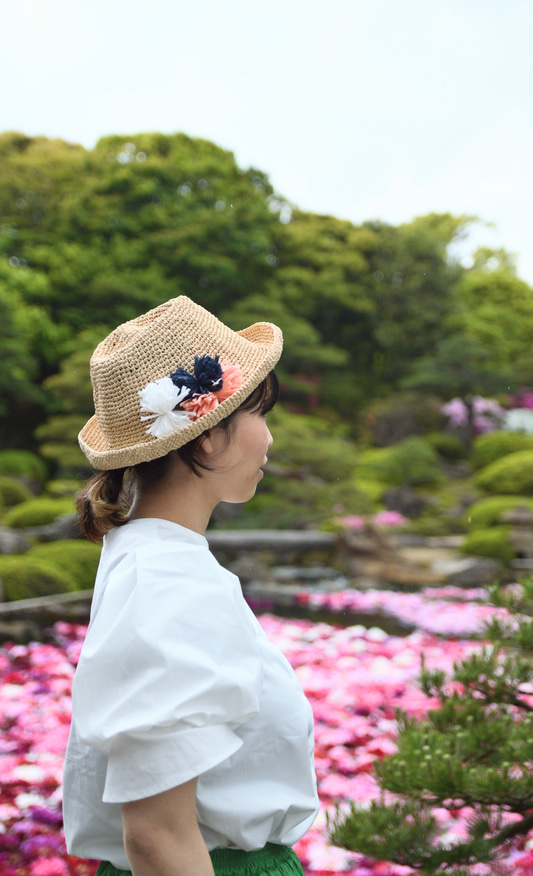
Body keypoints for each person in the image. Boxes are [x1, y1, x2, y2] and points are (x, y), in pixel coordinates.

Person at [62, 295, 319, 876]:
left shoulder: (145, 557)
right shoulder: (168, 580)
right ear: (206, 434)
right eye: (259, 413)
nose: (270, 439)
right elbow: (157, 836)